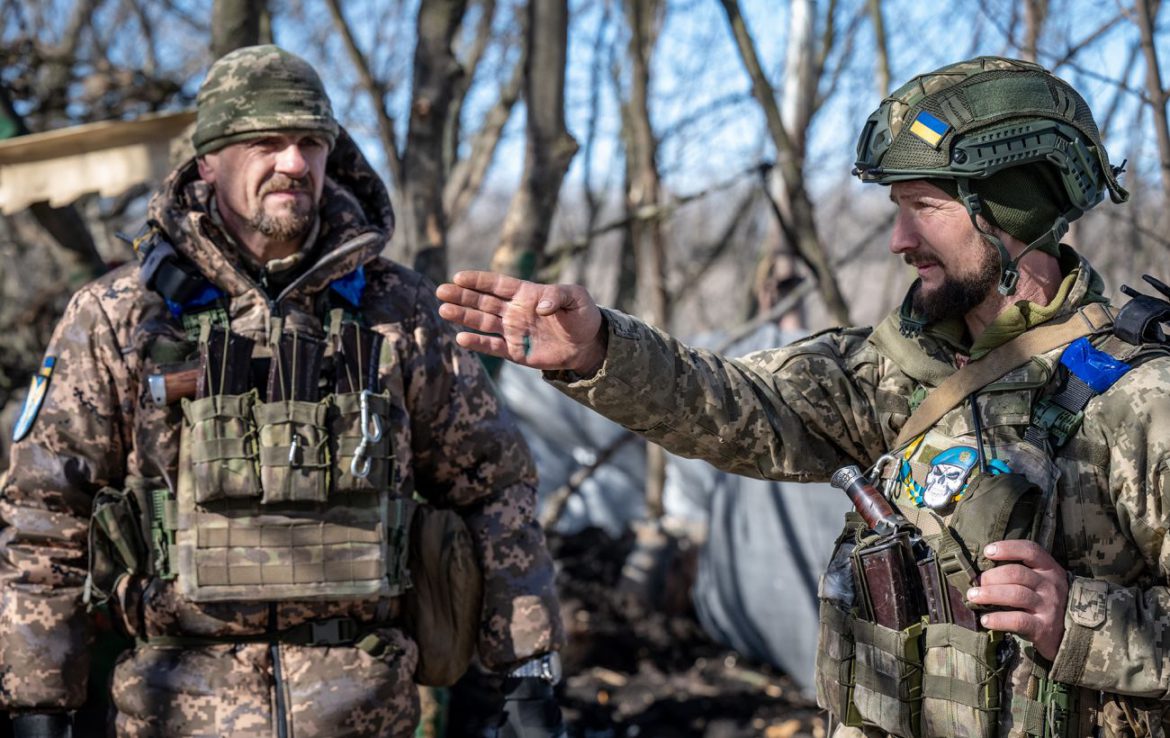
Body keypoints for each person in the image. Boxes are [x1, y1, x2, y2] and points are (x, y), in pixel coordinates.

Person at [437, 56, 1170, 738]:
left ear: (1011, 211)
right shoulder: (897, 369)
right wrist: (600, 348)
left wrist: (1079, 620)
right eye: (895, 207)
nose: (898, 239)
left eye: (924, 206)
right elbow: (733, 403)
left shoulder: (1143, 400)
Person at [0, 45, 566, 738]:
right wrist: (38, 702)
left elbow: (493, 487)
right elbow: (45, 515)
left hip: (364, 707)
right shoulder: (121, 316)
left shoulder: (397, 310)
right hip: (175, 707)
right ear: (208, 159)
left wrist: (526, 675)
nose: (294, 163)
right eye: (267, 141)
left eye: (310, 142)